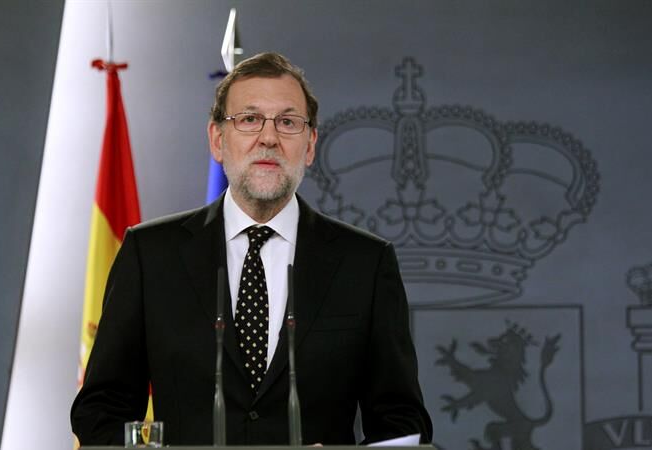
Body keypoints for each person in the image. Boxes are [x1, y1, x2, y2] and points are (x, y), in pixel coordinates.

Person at [71, 52, 432, 446]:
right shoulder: (151, 254)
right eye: (249, 119)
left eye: (288, 122)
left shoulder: (364, 263)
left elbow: (401, 420)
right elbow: (100, 409)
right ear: (217, 140)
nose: (269, 137)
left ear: (310, 145)